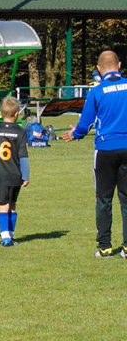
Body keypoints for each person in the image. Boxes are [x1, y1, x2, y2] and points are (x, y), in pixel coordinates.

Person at [62, 50, 127, 259]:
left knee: (104, 199)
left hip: (106, 149)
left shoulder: (97, 92)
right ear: (119, 65)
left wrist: (76, 134)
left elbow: (86, 123)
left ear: (99, 69)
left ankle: (105, 246)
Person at [0, 97, 30, 247]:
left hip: (0, 175)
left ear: (0, 113)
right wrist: (26, 175)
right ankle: (11, 235)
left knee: (3, 205)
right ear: (16, 114)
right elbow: (23, 155)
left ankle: (5, 238)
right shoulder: (20, 131)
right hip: (15, 174)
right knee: (12, 204)